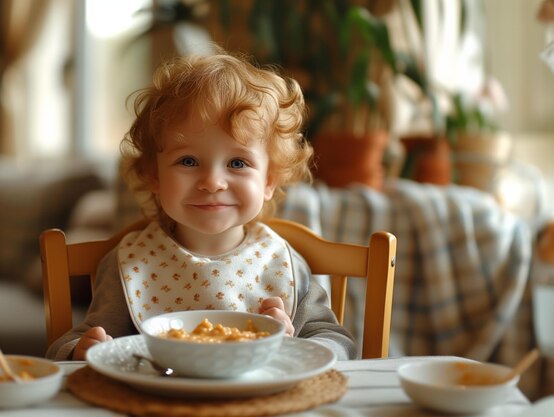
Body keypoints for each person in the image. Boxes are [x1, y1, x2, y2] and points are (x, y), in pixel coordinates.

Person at [46, 48, 357, 361]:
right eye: (189, 160)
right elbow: (76, 342)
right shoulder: (130, 262)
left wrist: (293, 345)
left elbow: (337, 342)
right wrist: (80, 351)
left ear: (268, 181)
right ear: (154, 176)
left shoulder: (283, 263)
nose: (212, 182)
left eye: (237, 162)